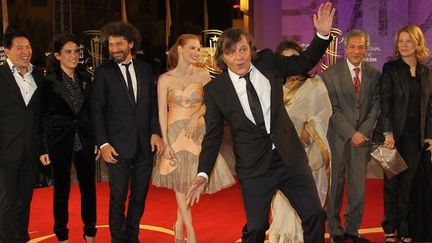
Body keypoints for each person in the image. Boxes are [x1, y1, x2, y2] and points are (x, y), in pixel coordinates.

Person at [186, 3, 335, 242]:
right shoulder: (215, 91)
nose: (239, 57)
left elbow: (304, 62)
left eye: (243, 49)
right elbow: (213, 136)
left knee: (315, 214)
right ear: (223, 57)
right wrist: (203, 173)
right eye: (232, 52)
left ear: (251, 49)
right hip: (254, 167)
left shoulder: (268, 62)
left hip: (289, 157)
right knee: (256, 228)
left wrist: (322, 35)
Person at [152, 34, 235, 243]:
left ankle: (179, 223)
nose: (197, 52)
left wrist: (196, 116)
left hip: (197, 131)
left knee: (190, 179)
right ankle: (191, 231)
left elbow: (211, 104)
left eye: (199, 49)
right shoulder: (165, 79)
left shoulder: (203, 74)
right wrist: (165, 140)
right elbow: (162, 110)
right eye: (193, 48)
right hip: (173, 133)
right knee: (180, 181)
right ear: (180, 49)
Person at [90, 21, 165, 243]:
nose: (114, 49)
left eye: (119, 44)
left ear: (131, 44)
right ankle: (117, 239)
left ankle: (132, 237)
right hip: (116, 149)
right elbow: (97, 111)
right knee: (118, 198)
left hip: (144, 147)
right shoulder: (103, 73)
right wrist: (103, 144)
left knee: (139, 197)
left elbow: (151, 106)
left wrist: (155, 132)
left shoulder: (145, 68)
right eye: (111, 45)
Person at [268, 40, 332, 243]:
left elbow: (325, 111)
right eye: (284, 59)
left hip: (306, 151)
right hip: (281, 154)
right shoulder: (271, 85)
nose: (289, 64)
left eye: (294, 59)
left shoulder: (315, 84)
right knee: (282, 203)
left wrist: (310, 128)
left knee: (307, 204)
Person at [321, 29, 380, 243]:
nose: (357, 51)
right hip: (337, 137)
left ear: (366, 49)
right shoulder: (329, 74)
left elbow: (376, 105)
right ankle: (335, 230)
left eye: (361, 47)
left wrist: (362, 132)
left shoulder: (374, 73)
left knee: (358, 187)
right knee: (335, 185)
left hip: (362, 140)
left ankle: (352, 231)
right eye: (352, 46)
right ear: (346, 49)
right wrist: (351, 133)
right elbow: (332, 109)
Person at [375, 24, 432, 243]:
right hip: (394, 138)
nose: (405, 45)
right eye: (401, 41)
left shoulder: (427, 72)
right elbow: (386, 102)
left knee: (408, 185)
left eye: (409, 40)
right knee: (392, 184)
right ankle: (390, 228)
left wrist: (429, 134)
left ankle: (405, 228)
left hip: (416, 139)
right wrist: (387, 132)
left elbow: (429, 108)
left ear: (418, 42)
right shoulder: (391, 68)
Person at [39, 34, 98, 243]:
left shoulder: (84, 78)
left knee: (89, 190)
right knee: (61, 193)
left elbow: (90, 112)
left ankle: (90, 233)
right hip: (60, 141)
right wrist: (44, 147)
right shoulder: (49, 81)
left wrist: (96, 141)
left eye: (76, 52)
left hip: (84, 140)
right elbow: (44, 116)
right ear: (57, 55)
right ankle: (62, 235)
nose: (74, 56)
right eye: (68, 52)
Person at [0, 27, 46, 243]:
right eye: (19, 47)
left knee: (24, 200)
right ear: (7, 51)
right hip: (5, 152)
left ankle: (21, 238)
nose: (25, 51)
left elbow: (41, 115)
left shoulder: (37, 74)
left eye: (28, 47)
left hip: (30, 151)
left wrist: (43, 147)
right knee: (6, 202)